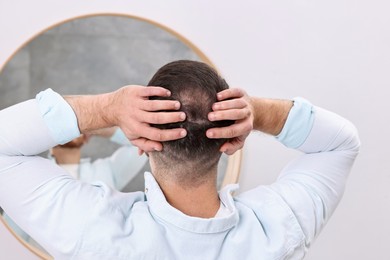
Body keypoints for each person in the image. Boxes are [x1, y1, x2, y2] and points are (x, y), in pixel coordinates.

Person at [0, 60, 360, 259]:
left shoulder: (92, 231)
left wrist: (108, 107)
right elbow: (340, 143)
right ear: (230, 141)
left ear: (141, 142)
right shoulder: (278, 230)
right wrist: (260, 112)